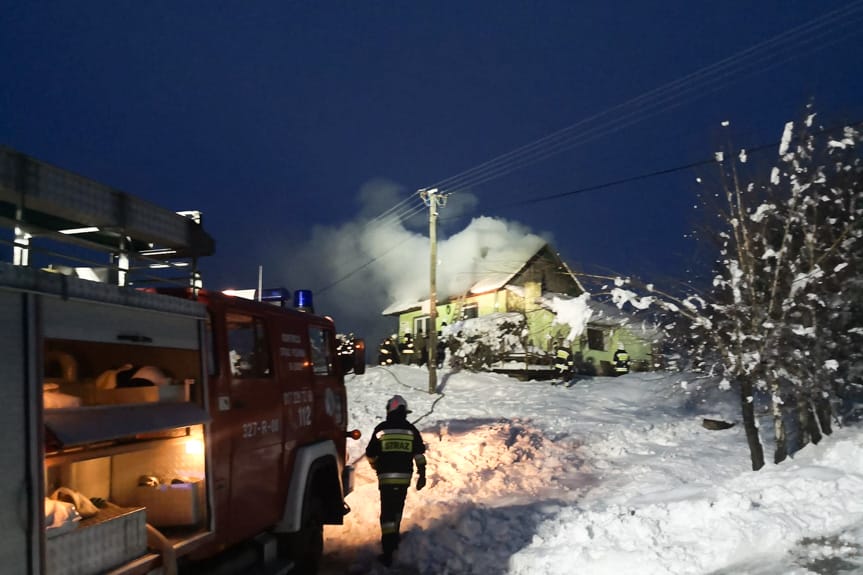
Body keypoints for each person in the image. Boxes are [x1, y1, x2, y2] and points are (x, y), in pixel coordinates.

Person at [365, 395, 427, 567]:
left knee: (387, 513)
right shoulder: (411, 430)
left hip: (386, 478)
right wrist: (422, 474)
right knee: (398, 508)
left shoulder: (381, 429)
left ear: (389, 410)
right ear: (404, 412)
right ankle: (394, 539)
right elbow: (419, 454)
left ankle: (388, 550)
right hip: (404, 478)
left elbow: (370, 453)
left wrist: (375, 466)